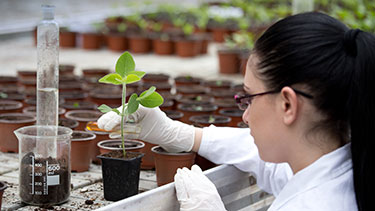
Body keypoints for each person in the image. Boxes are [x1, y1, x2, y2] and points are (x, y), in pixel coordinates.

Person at [98, 12, 374, 211]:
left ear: (288, 105)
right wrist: (182, 134)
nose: (245, 115)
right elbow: (269, 159)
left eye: (249, 97)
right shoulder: (347, 162)